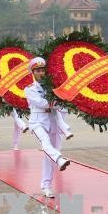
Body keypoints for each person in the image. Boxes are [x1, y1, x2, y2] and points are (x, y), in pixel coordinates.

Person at [24, 57, 71, 199]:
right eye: (38, 70)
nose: (41, 73)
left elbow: (60, 102)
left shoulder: (52, 87)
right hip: (38, 121)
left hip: (53, 121)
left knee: (48, 154)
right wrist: (56, 102)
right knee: (46, 144)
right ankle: (60, 160)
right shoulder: (29, 89)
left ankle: (46, 186)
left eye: (43, 70)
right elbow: (41, 103)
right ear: (33, 72)